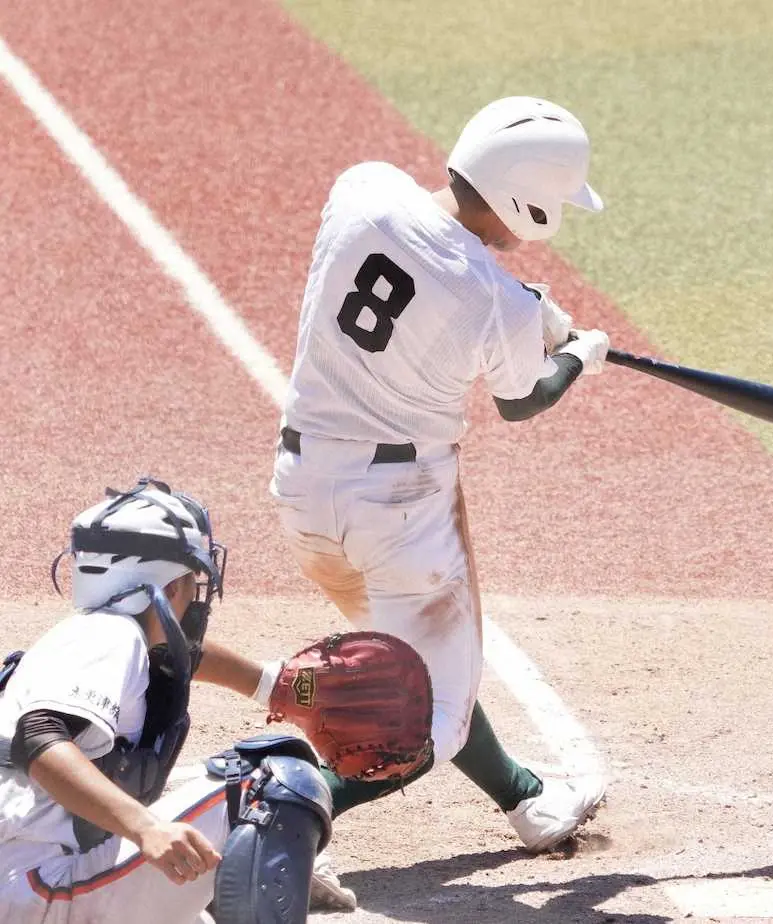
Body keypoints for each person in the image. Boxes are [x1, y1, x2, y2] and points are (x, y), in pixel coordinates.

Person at [269, 95, 610, 898]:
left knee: (419, 666)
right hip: (400, 514)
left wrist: (526, 307)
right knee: (432, 719)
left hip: (303, 491)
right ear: (527, 197)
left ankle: (526, 800)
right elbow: (522, 399)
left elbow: (432, 268)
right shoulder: (494, 299)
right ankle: (283, 818)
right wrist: (577, 355)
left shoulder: (364, 187)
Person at [0, 477, 346, 923]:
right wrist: (146, 828)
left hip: (28, 879)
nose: (195, 594)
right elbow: (38, 736)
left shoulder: (101, 636)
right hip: (36, 887)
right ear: (169, 586)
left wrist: (272, 686)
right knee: (272, 781)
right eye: (190, 578)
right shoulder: (109, 637)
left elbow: (179, 657)